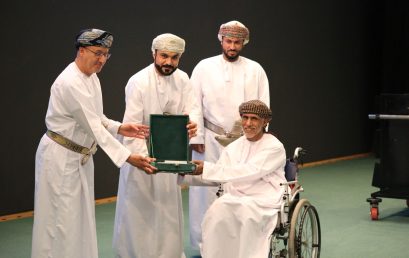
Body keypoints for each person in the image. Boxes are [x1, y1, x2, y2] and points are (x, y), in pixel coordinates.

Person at [31, 29, 157, 258]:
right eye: (97, 53)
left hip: (79, 157)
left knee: (79, 218)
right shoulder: (70, 83)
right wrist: (129, 157)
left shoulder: (91, 77)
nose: (101, 60)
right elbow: (93, 127)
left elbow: (96, 117)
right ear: (81, 51)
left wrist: (119, 127)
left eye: (106, 55)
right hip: (59, 158)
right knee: (59, 221)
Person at [188, 20, 270, 250]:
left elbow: (264, 106)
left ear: (244, 43)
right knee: (205, 193)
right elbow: (193, 103)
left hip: (245, 141)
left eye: (237, 42)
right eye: (228, 41)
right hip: (210, 141)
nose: (232, 46)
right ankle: (203, 246)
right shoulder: (203, 67)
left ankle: (237, 246)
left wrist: (259, 141)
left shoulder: (256, 70)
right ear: (220, 40)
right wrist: (197, 137)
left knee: (241, 191)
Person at [113, 33, 194, 258]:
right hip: (142, 158)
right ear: (154, 54)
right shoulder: (138, 82)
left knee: (168, 212)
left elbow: (191, 110)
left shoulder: (184, 79)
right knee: (140, 214)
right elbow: (132, 125)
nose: (168, 62)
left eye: (174, 57)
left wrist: (191, 125)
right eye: (164, 56)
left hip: (171, 156)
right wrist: (143, 159)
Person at [191, 100, 286, 258]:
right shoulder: (233, 147)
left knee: (244, 212)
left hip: (262, 199)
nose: (248, 123)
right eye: (245, 117)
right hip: (234, 196)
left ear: (265, 122)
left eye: (254, 118)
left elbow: (250, 171)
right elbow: (220, 176)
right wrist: (188, 173)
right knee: (216, 210)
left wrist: (207, 168)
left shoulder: (274, 147)